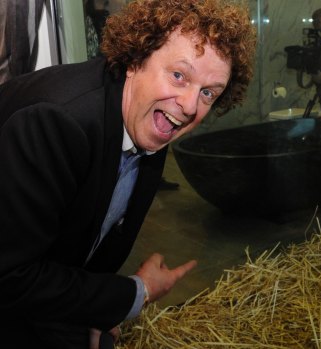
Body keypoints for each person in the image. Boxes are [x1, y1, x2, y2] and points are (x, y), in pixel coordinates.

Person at [0, 0, 255, 348]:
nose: (191, 106)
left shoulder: (150, 119)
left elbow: (88, 234)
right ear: (136, 59)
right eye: (179, 75)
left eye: (208, 92)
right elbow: (10, 276)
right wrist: (137, 292)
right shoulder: (58, 122)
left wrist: (94, 312)